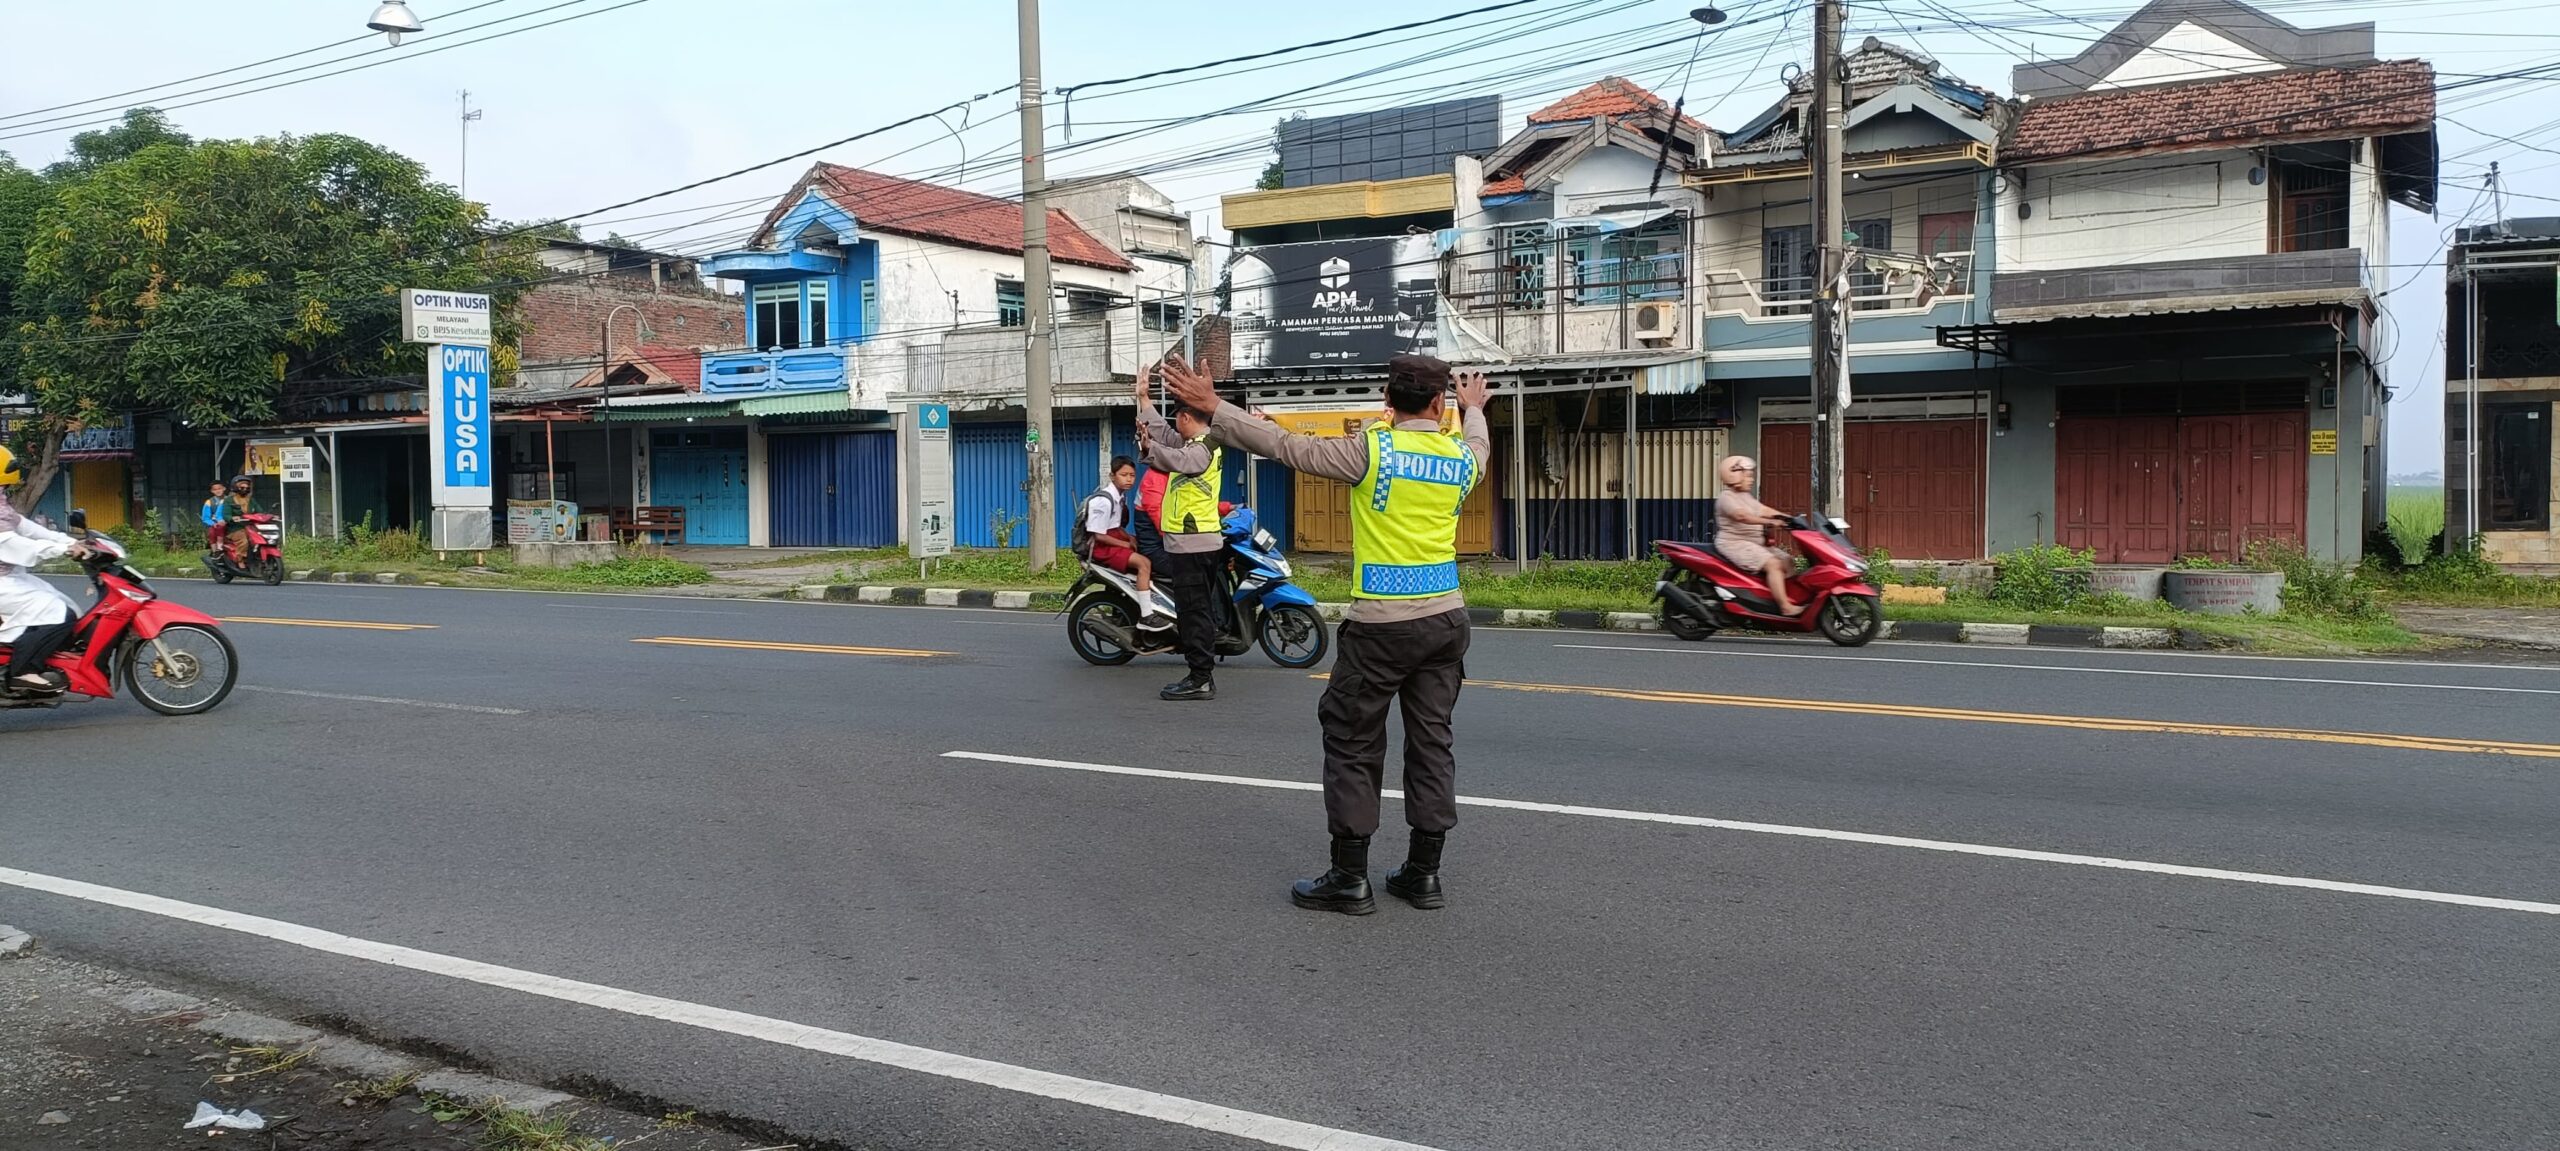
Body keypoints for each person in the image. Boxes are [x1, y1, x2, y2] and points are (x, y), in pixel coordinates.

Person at [1157, 351, 1490, 916]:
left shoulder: (1372, 451)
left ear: (1388, 401)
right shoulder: (1461, 457)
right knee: (1432, 743)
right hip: (1446, 622)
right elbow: (1479, 442)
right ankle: (1424, 874)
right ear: (1440, 404)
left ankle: (1349, 878)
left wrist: (1215, 407)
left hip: (1382, 627)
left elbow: (1287, 447)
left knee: (1354, 741)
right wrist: (1475, 408)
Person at [1134, 369, 1229, 702]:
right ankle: (1199, 673)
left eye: (1179, 421)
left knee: (1194, 613)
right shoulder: (1195, 441)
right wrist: (1144, 397)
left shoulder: (1203, 448)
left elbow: (1179, 458)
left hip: (1194, 545)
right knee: (1194, 610)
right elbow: (1162, 434)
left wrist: (1150, 450)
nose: (1176, 428)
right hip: (1190, 544)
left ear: (1188, 417)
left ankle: (1200, 678)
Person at [0, 448, 92, 694]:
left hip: (11, 578)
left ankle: (45, 657)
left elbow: (33, 530)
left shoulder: (3, 510)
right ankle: (23, 671)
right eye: (2, 486)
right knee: (57, 613)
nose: (4, 492)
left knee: (69, 608)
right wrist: (62, 550)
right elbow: (17, 545)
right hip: (3, 584)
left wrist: (70, 541)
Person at [1078, 455, 1164, 621]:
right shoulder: (1103, 500)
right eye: (1123, 475)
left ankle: (1138, 597)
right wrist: (1124, 543)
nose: (1129, 479)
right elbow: (1098, 534)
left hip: (1112, 538)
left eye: (1132, 475)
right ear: (1112, 476)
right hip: (1100, 547)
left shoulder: (1120, 497)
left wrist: (1130, 539)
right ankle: (1147, 616)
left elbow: (1116, 526)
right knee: (1144, 564)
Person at [1714, 455, 1798, 615]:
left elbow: (1764, 510)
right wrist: (1770, 522)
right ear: (1735, 474)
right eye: (1748, 475)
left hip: (1754, 543)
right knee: (1774, 564)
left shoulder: (1745, 496)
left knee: (1788, 561)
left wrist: (1788, 518)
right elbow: (1741, 516)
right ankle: (1785, 607)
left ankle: (1779, 597)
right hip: (1735, 544)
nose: (1751, 479)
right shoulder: (1726, 498)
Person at [221, 474, 260, 568]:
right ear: (235, 486)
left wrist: (268, 516)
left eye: (247, 485)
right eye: (242, 485)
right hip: (235, 528)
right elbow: (226, 515)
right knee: (244, 541)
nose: (245, 487)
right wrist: (232, 518)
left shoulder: (251, 500)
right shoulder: (229, 500)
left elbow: (260, 511)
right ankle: (240, 560)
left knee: (261, 539)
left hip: (251, 526)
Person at [200, 480, 229, 557]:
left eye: (219, 488)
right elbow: (205, 518)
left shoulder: (229, 500)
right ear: (212, 491)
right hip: (215, 523)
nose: (218, 491)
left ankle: (222, 549)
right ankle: (215, 552)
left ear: (224, 488)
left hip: (229, 521)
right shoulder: (209, 502)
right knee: (212, 533)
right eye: (215, 489)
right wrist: (213, 523)